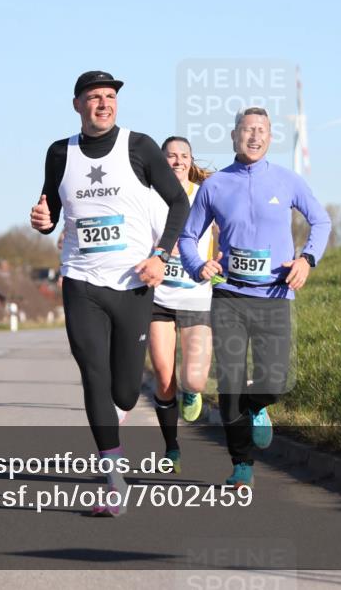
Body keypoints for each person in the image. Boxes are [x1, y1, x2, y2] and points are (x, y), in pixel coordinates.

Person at [30, 71, 189, 515]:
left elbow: (180, 203)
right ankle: (114, 481)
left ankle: (117, 417)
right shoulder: (60, 152)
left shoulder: (139, 147)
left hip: (133, 284)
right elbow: (51, 211)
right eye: (95, 97)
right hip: (81, 281)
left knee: (122, 389)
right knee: (93, 373)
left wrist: (160, 254)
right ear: (77, 104)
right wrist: (42, 220)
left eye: (110, 97)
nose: (104, 104)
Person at [178, 106, 331, 490]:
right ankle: (241, 464)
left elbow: (322, 221)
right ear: (234, 136)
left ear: (270, 137)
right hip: (229, 296)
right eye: (247, 130)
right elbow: (186, 236)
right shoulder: (215, 186)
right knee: (229, 382)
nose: (254, 136)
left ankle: (256, 405)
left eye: (261, 130)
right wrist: (199, 266)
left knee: (275, 381)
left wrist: (307, 259)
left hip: (275, 295)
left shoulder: (287, 180)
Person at [148, 137, 217, 474]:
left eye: (183, 156)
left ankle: (191, 392)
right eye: (170, 156)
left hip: (195, 296)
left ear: (191, 161)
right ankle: (171, 447)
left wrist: (224, 259)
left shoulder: (204, 194)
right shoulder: (147, 195)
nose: (176, 161)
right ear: (161, 161)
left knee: (196, 380)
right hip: (158, 299)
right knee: (163, 377)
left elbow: (228, 230)